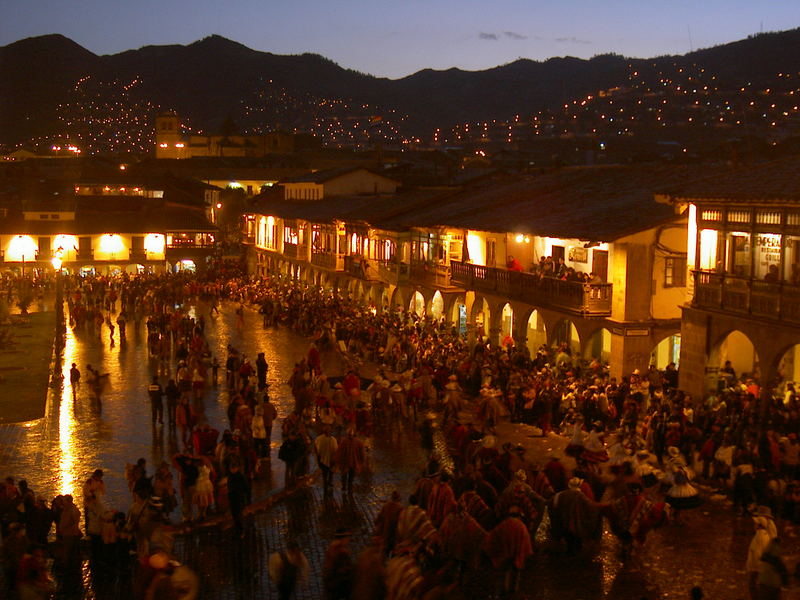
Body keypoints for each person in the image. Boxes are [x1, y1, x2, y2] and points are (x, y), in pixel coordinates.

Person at [322, 529, 355, 600]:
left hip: (331, 586)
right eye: (347, 537)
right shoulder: (342, 552)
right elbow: (345, 570)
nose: (348, 540)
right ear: (343, 538)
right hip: (339, 586)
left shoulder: (331, 548)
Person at [227, 460, 251, 538]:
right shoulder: (230, 476)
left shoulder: (241, 476)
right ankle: (237, 530)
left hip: (239, 498)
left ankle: (241, 531)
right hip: (232, 498)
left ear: (237, 468)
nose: (232, 470)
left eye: (234, 468)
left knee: (239, 515)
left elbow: (246, 488)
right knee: (234, 515)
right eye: (231, 468)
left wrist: (247, 499)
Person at [315, 426, 339, 493]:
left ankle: (329, 483)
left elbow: (335, 450)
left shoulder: (333, 439)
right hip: (323, 459)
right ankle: (326, 483)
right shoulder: (320, 439)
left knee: (330, 472)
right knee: (325, 473)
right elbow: (317, 449)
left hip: (330, 459)